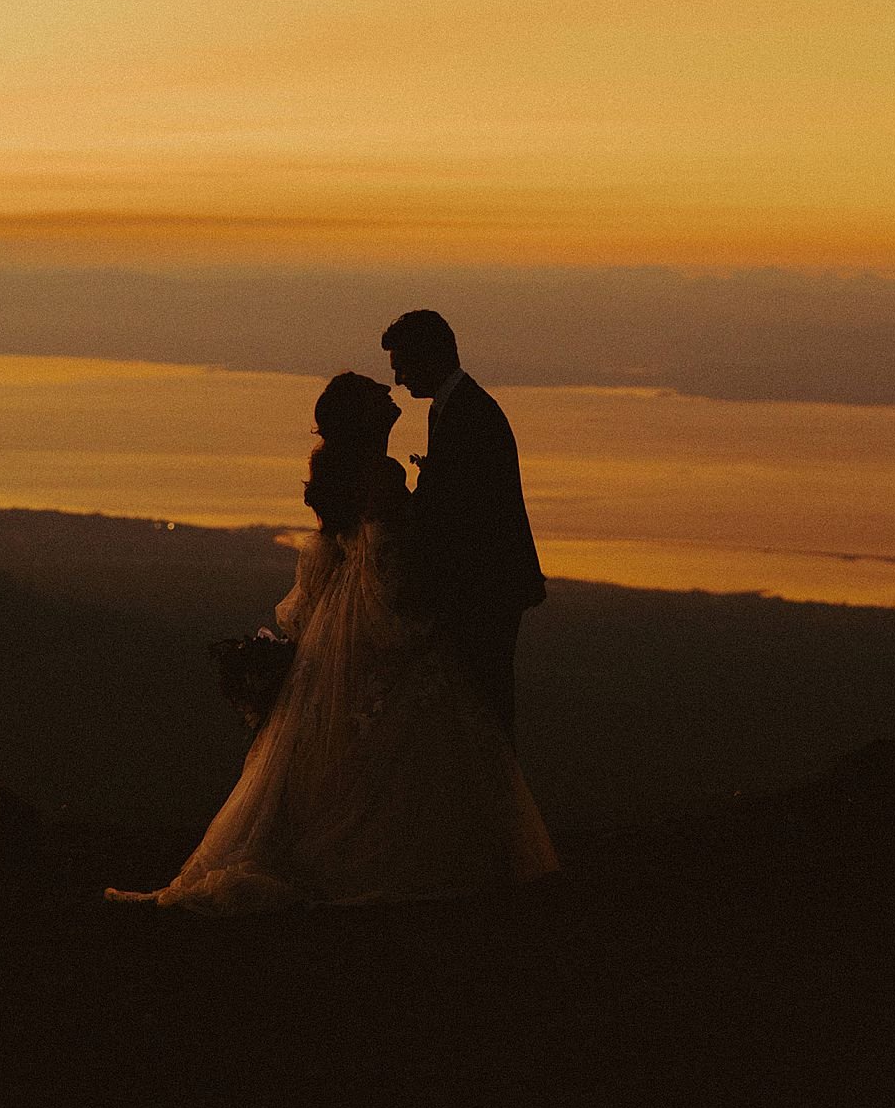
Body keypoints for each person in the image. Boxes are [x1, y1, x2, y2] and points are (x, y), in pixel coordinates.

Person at [105, 371, 556, 913]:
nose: (390, 395)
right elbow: (389, 559)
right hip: (372, 611)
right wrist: (417, 609)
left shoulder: (341, 473)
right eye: (377, 395)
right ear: (364, 417)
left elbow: (331, 553)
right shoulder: (382, 474)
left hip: (339, 615)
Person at [382, 310, 545, 744]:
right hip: (481, 586)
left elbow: (462, 511)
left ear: (429, 357)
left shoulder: (470, 414)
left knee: (483, 707)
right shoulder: (455, 408)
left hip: (484, 588)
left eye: (402, 365)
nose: (397, 379)